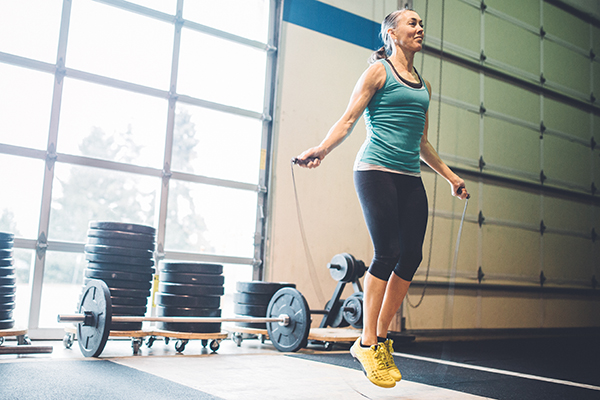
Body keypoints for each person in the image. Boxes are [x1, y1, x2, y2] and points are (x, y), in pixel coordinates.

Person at [294, 8, 469, 388]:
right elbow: (348, 119)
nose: (420, 27)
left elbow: (422, 144)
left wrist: (452, 178)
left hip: (408, 176)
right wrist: (322, 149)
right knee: (387, 252)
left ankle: (381, 338)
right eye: (412, 23)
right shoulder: (378, 72)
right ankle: (368, 341)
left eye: (422, 23)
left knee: (412, 256)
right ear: (391, 32)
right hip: (374, 171)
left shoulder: (423, 86)